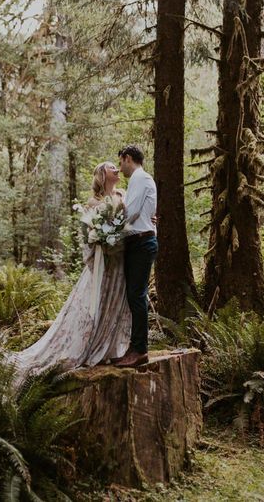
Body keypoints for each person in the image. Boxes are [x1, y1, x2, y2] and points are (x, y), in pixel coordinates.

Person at [12, 161, 131, 382]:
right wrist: (103, 243)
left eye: (117, 166)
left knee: (114, 303)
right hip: (102, 263)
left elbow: (131, 221)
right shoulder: (93, 202)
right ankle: (92, 346)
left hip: (120, 263)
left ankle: (111, 349)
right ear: (102, 175)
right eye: (110, 166)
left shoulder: (124, 195)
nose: (116, 168)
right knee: (95, 305)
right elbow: (88, 236)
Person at [114, 145, 158, 368]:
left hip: (141, 242)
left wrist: (110, 226)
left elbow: (131, 213)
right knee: (133, 296)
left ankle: (140, 350)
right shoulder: (138, 180)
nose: (120, 168)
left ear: (127, 158)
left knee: (137, 295)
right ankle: (134, 346)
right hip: (137, 241)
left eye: (121, 162)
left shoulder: (140, 178)